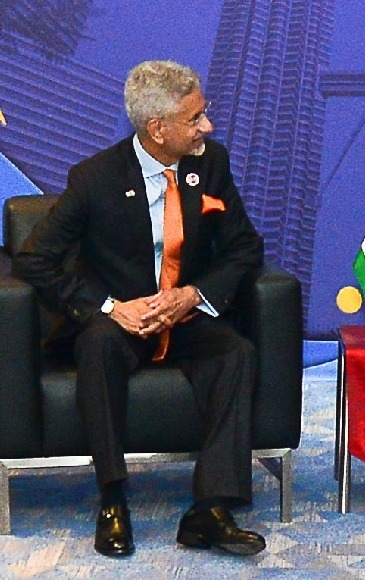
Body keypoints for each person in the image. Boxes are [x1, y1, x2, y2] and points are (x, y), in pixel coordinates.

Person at [13, 61, 267, 557]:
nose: (207, 126)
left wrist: (191, 295)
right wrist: (111, 307)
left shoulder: (209, 163)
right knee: (98, 346)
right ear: (158, 129)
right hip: (120, 320)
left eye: (204, 114)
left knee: (235, 353)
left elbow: (244, 247)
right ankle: (113, 500)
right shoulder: (95, 178)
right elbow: (34, 259)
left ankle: (211, 509)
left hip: (184, 314)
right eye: (194, 119)